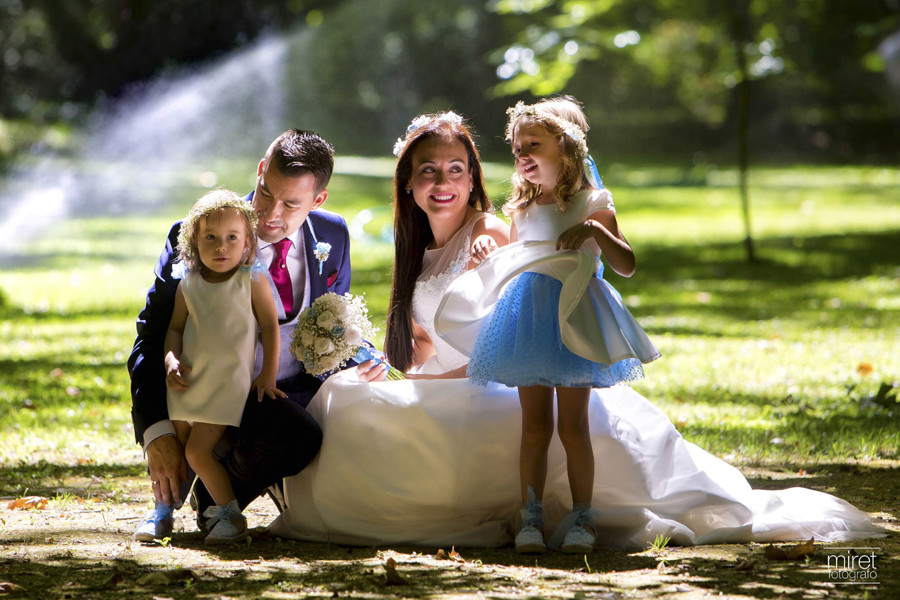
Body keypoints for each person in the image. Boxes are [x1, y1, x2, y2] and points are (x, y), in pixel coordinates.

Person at [268, 113, 882, 549]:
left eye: (457, 168)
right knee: (345, 399)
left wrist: (488, 257)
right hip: (447, 383)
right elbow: (430, 343)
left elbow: (509, 315)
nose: (443, 182)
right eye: (428, 170)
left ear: (475, 175)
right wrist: (392, 365)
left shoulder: (494, 231)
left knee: (362, 415)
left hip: (493, 386)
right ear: (408, 182)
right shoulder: (418, 249)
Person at [128, 129, 386, 542]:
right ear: (261, 170)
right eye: (266, 193)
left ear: (318, 201)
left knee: (310, 433)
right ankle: (174, 503)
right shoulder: (201, 234)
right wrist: (155, 431)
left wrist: (366, 354)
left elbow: (334, 316)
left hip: (279, 397)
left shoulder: (333, 235)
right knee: (189, 441)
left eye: (290, 204)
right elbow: (153, 334)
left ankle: (216, 501)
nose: (269, 214)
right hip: (204, 386)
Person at [439, 96, 660, 553]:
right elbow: (523, 257)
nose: (521, 156)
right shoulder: (522, 206)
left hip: (573, 316)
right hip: (529, 318)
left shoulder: (592, 201)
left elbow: (628, 264)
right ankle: (531, 517)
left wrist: (596, 232)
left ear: (565, 146)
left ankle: (584, 518)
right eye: (517, 148)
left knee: (573, 425)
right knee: (534, 425)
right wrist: (490, 254)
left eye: (532, 146)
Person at [141, 190, 282, 544]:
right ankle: (163, 510)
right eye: (211, 238)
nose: (222, 247)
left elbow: (270, 326)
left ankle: (230, 515)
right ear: (193, 241)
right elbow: (174, 329)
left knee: (197, 452)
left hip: (226, 384)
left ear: (247, 241)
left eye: (231, 238)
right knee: (178, 447)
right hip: (188, 379)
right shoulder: (188, 284)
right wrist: (171, 359)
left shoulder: (250, 280)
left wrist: (268, 374)